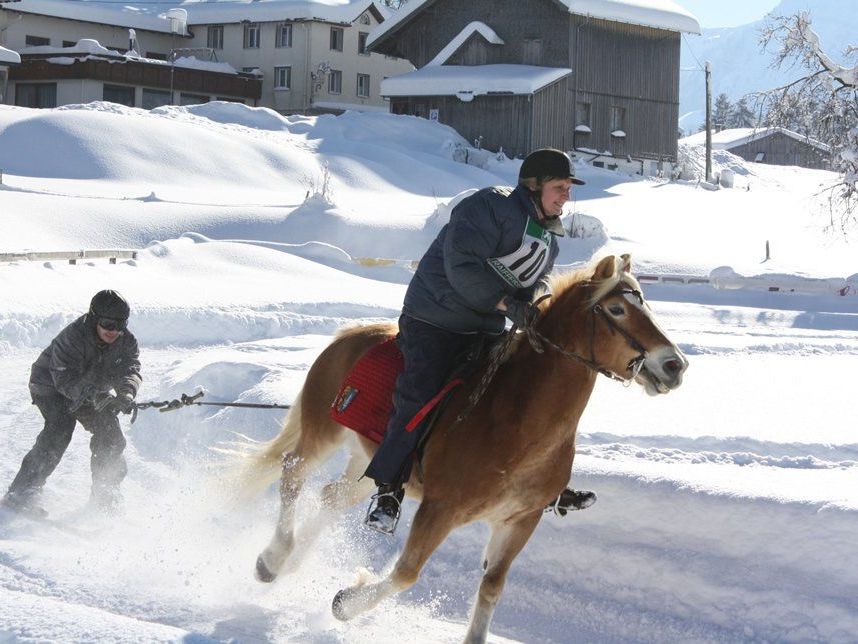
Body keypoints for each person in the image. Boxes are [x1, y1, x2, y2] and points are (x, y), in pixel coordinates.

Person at [364, 148, 596, 535]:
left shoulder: (549, 238)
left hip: (485, 326)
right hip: (434, 318)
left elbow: (537, 280)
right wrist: (507, 304)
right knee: (420, 391)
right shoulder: (489, 207)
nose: (566, 196)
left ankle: (540, 483)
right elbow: (463, 267)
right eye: (559, 187)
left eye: (568, 188)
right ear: (533, 185)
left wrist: (533, 305)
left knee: (521, 393)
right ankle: (388, 490)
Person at [1, 289, 141, 517]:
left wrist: (126, 394)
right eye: (107, 324)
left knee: (111, 434)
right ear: (94, 318)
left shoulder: (126, 341)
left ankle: (105, 496)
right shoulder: (73, 337)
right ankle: (22, 493)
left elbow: (130, 369)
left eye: (120, 325)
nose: (113, 331)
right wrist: (94, 395)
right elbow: (64, 378)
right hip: (50, 386)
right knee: (60, 428)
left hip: (90, 391)